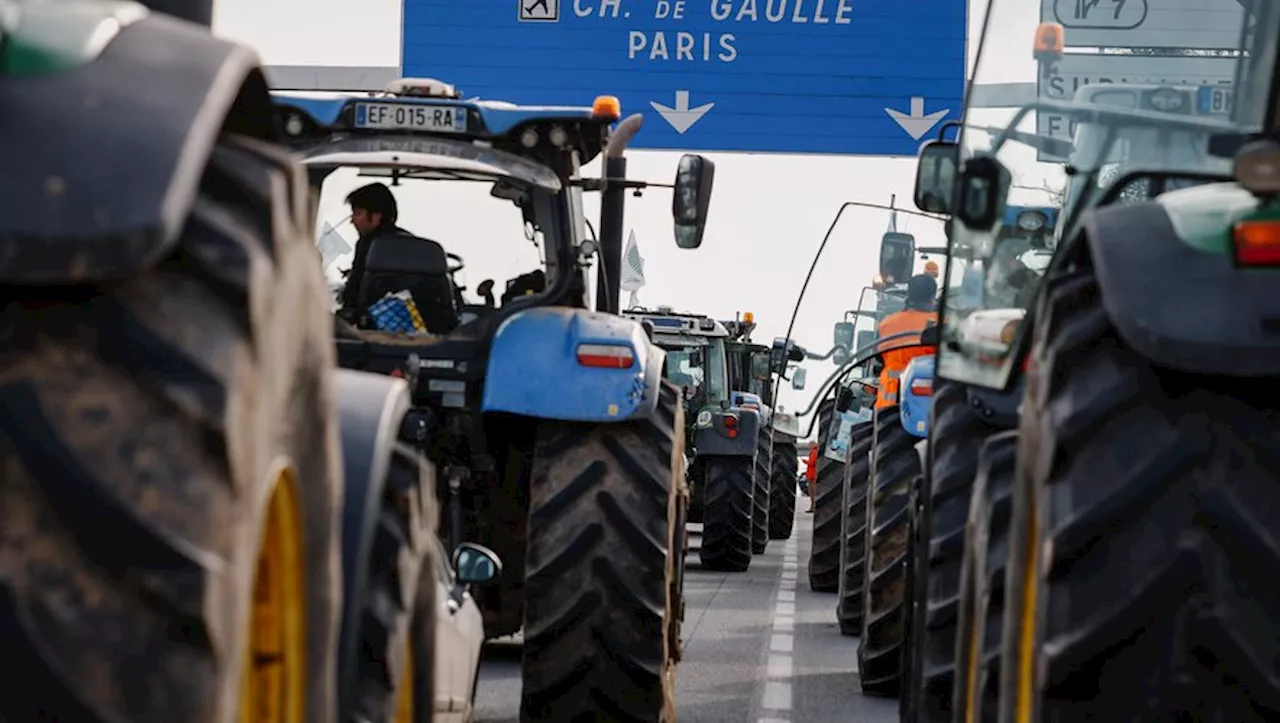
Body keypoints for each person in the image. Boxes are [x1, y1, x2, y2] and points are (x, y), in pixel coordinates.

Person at [339, 183, 429, 312]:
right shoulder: (413, 243)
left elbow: (353, 295)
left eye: (357, 213)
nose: (352, 221)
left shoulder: (369, 244)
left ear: (376, 216)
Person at [875, 274, 939, 410]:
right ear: (932, 297)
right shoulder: (942, 324)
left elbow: (878, 357)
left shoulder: (886, 324)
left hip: (889, 403)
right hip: (929, 404)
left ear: (909, 295)